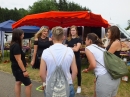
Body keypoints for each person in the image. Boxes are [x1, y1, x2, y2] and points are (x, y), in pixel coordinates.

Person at [40, 26, 77, 97]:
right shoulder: (70, 51)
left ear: (52, 37)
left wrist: (45, 83)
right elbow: (75, 71)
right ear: (63, 37)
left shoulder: (46, 52)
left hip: (51, 86)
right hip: (67, 85)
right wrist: (69, 82)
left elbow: (42, 74)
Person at [83, 33, 120, 97]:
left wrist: (88, 70)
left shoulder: (88, 48)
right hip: (115, 77)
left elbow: (93, 65)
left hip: (105, 79)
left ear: (89, 40)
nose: (85, 41)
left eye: (86, 39)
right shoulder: (101, 48)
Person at [10, 29, 32, 97]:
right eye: (22, 34)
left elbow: (18, 58)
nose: (23, 35)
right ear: (18, 35)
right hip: (18, 69)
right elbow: (18, 60)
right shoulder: (16, 45)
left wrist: (24, 61)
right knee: (29, 85)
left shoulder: (14, 44)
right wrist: (24, 71)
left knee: (18, 82)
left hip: (15, 67)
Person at [65, 25, 82, 93]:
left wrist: (69, 48)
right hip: (69, 58)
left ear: (76, 31)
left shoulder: (79, 39)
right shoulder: (68, 39)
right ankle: (69, 84)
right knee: (68, 72)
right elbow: (65, 48)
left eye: (74, 30)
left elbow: (77, 49)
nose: (72, 32)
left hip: (77, 58)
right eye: (71, 30)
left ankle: (79, 86)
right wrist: (73, 48)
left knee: (78, 72)